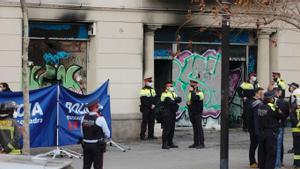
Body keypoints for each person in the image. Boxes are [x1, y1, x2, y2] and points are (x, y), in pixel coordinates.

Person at [257, 91, 284, 169]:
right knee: (271, 153)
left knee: (262, 153)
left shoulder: (260, 106)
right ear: (271, 99)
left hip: (261, 132)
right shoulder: (273, 107)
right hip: (270, 133)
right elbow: (281, 116)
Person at [81, 99, 110, 169]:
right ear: (96, 107)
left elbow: (82, 132)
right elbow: (108, 134)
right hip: (97, 145)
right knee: (98, 166)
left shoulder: (83, 118)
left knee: (86, 166)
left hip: (86, 145)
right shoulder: (100, 119)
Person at [160, 82, 181, 149]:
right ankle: (164, 144)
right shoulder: (164, 94)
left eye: (172, 86)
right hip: (167, 113)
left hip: (172, 113)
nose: (171, 87)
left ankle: (170, 142)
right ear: (166, 87)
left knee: (172, 128)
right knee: (166, 129)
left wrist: (174, 100)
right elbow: (169, 102)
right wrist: (175, 100)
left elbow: (180, 99)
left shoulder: (173, 93)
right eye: (170, 86)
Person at [247, 87, 264, 168]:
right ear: (256, 93)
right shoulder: (253, 103)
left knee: (257, 145)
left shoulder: (257, 102)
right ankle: (252, 162)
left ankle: (256, 161)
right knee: (253, 145)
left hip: (257, 128)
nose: (262, 94)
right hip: (253, 128)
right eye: (261, 93)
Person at [273, 88, 289, 169]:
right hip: (280, 125)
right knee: (279, 145)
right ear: (278, 93)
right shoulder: (283, 102)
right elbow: (286, 113)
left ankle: (274, 163)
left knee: (273, 145)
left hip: (271, 126)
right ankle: (278, 164)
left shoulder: (270, 101)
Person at [187, 80, 205, 149]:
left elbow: (194, 99)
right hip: (192, 112)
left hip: (198, 113)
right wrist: (187, 103)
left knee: (199, 128)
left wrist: (192, 91)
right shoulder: (190, 93)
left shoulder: (200, 93)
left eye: (193, 85)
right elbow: (190, 101)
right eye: (190, 85)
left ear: (196, 85)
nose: (191, 86)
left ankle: (202, 143)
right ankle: (196, 143)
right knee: (195, 128)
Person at [290, 95, 300, 169]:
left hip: (296, 131)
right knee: (297, 149)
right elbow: (292, 117)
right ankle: (297, 164)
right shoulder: (293, 106)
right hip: (296, 132)